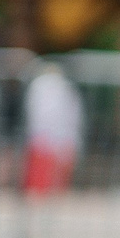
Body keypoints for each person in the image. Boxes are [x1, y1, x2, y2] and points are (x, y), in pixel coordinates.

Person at [21, 62, 80, 196]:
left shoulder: (59, 87)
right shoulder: (43, 86)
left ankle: (53, 190)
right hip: (46, 130)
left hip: (55, 130)